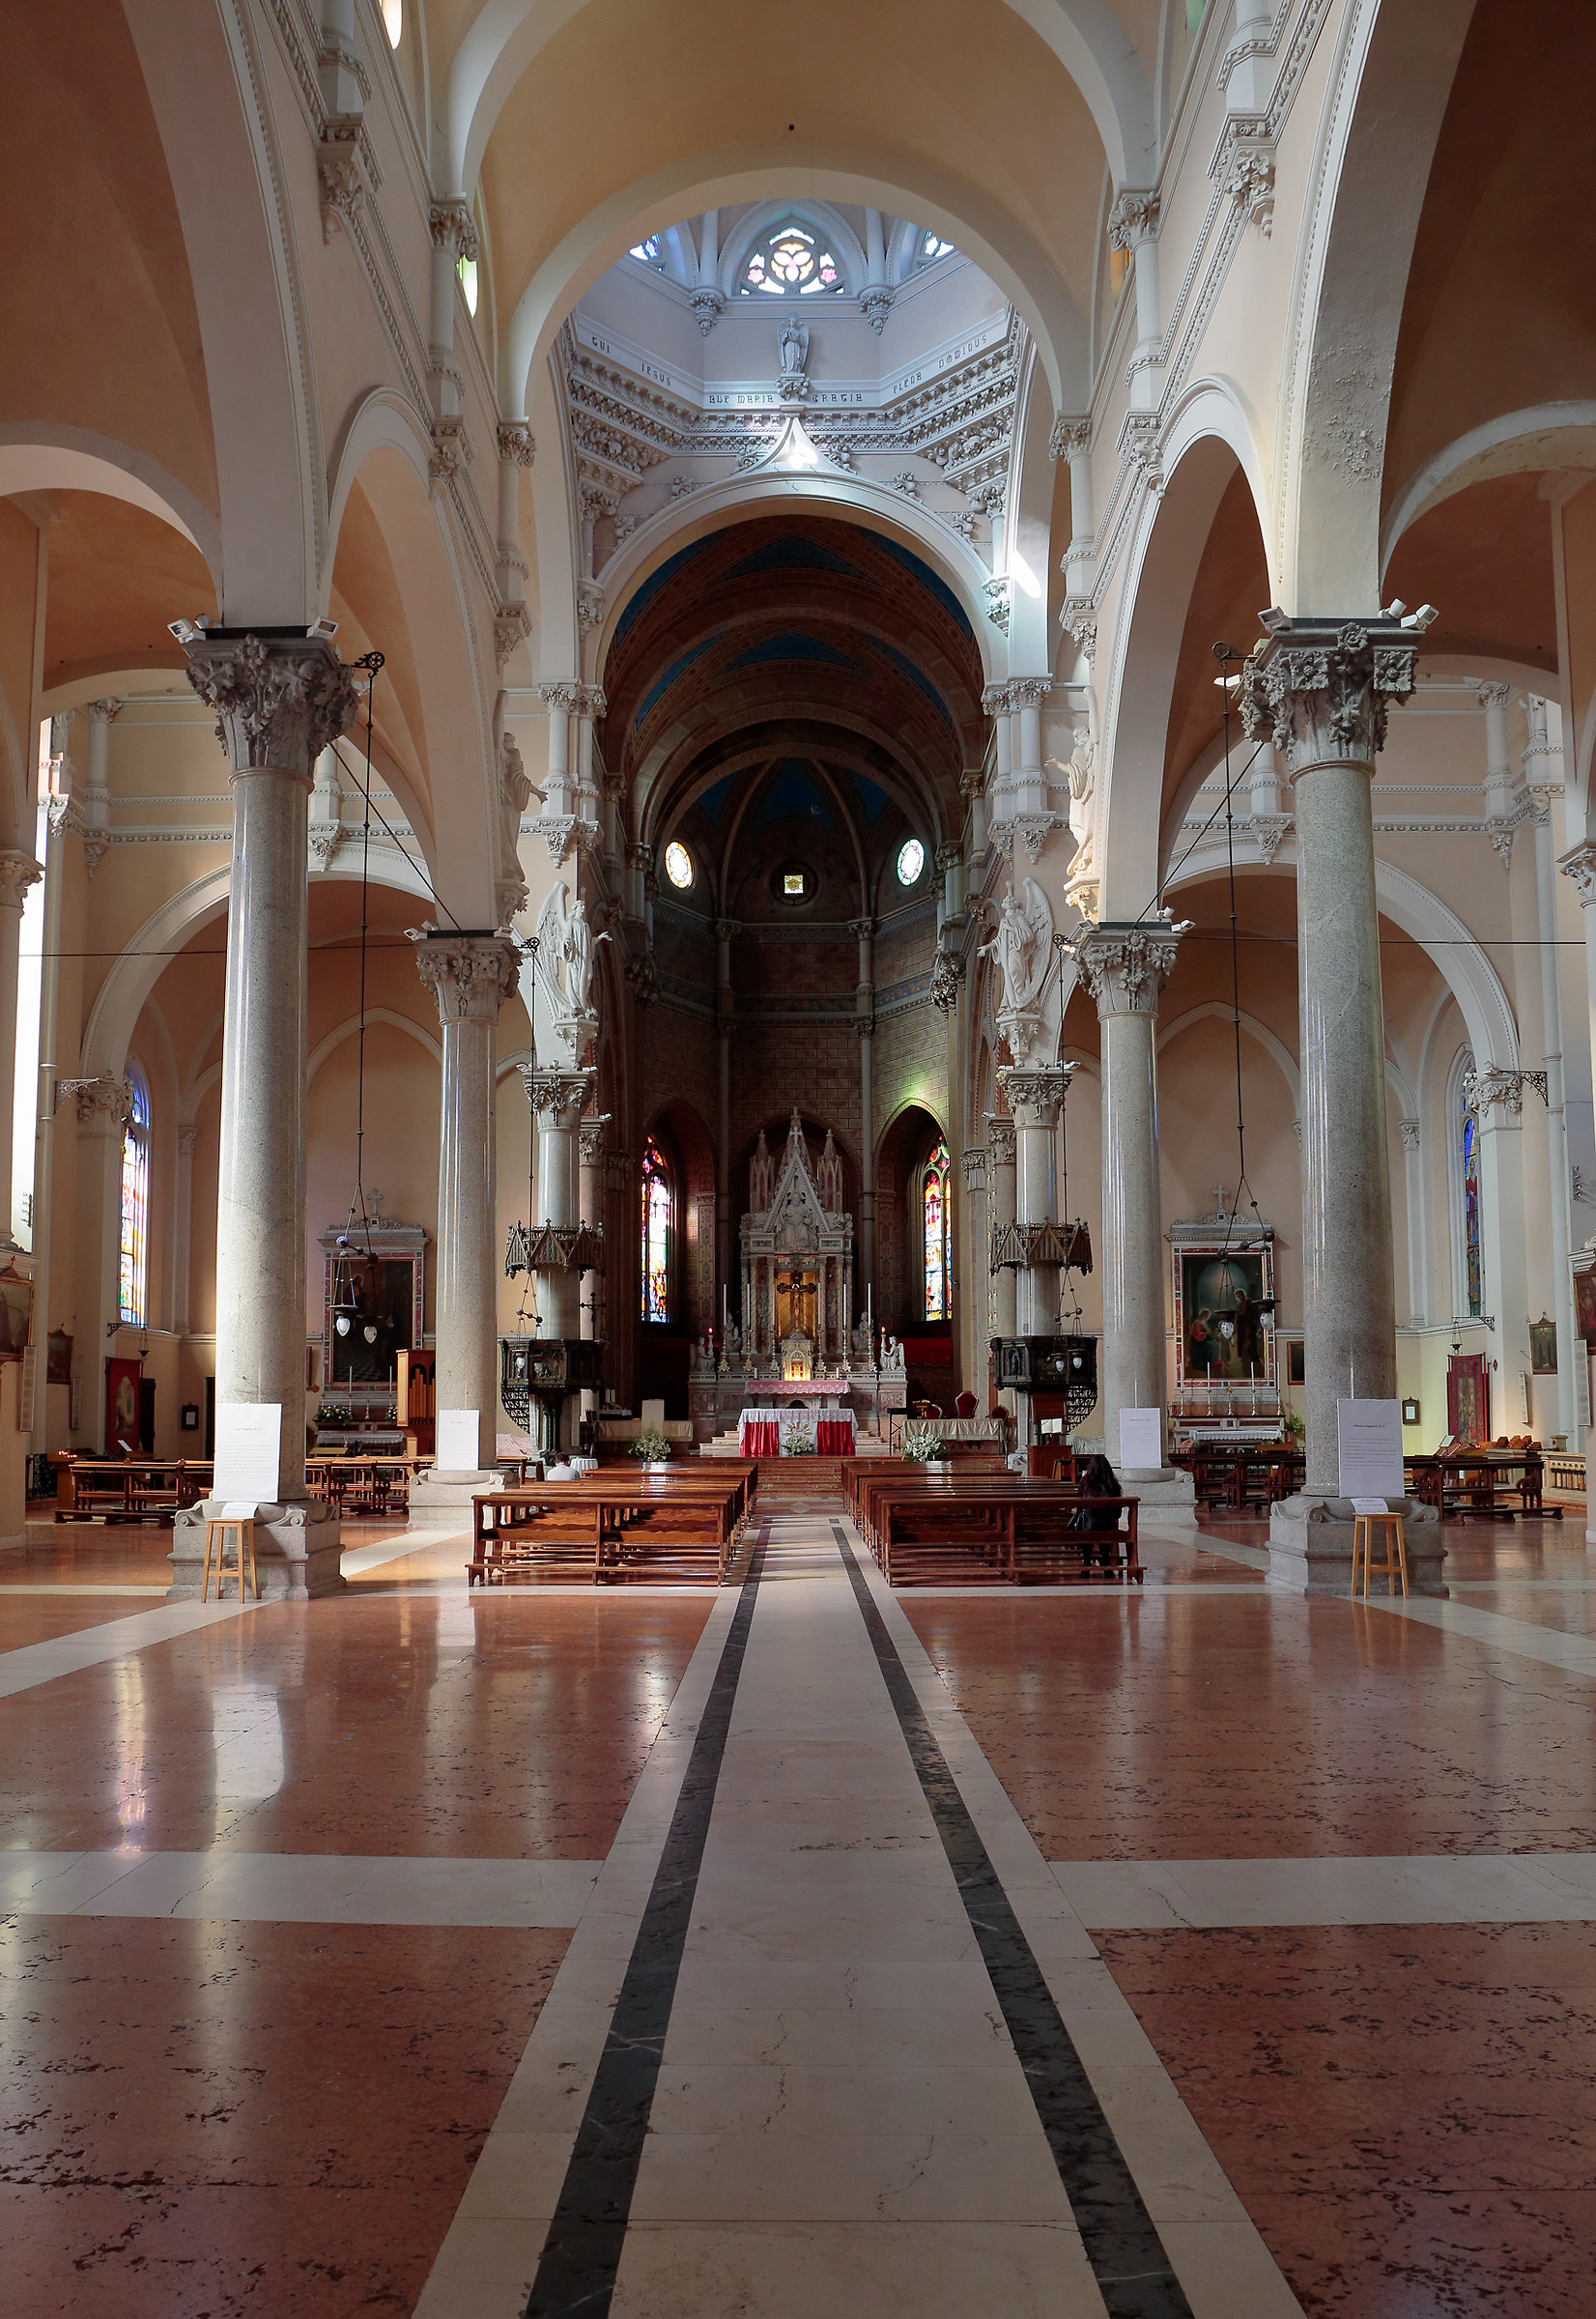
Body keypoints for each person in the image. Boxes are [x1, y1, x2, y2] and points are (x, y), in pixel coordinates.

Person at [1069, 1451, 1122, 1570]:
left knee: (1086, 1529)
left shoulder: (1085, 1482)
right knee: (1105, 1529)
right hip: (1107, 1525)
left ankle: (1087, 1560)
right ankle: (1106, 1560)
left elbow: (1079, 1505)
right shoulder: (1112, 1485)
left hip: (1088, 1524)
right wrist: (1115, 1517)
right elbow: (1118, 1510)